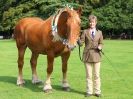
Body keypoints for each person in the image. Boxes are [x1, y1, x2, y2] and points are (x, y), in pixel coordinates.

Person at [78, 15, 103, 97]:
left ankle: (97, 91)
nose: (91, 23)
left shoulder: (99, 32)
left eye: (93, 22)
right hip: (87, 55)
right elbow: (81, 43)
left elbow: (101, 42)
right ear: (89, 23)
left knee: (97, 75)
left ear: (96, 23)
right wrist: (78, 41)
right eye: (90, 22)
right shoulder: (85, 31)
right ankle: (89, 91)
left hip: (97, 55)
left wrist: (100, 46)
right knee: (89, 75)